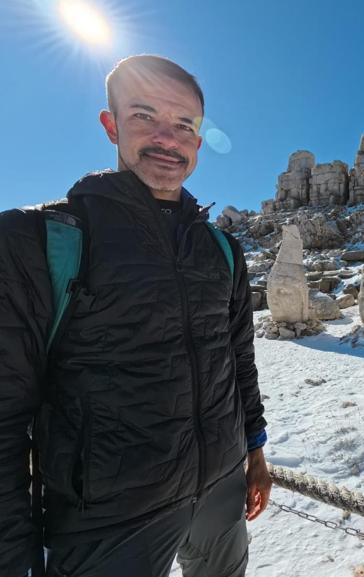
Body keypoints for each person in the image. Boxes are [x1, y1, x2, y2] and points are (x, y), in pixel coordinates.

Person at [0, 54, 271, 577]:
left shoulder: (222, 249)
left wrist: (254, 451)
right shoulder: (36, 241)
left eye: (184, 125)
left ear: (199, 139)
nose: (167, 139)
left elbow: (238, 359)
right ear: (111, 124)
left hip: (219, 490)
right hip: (106, 520)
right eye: (145, 116)